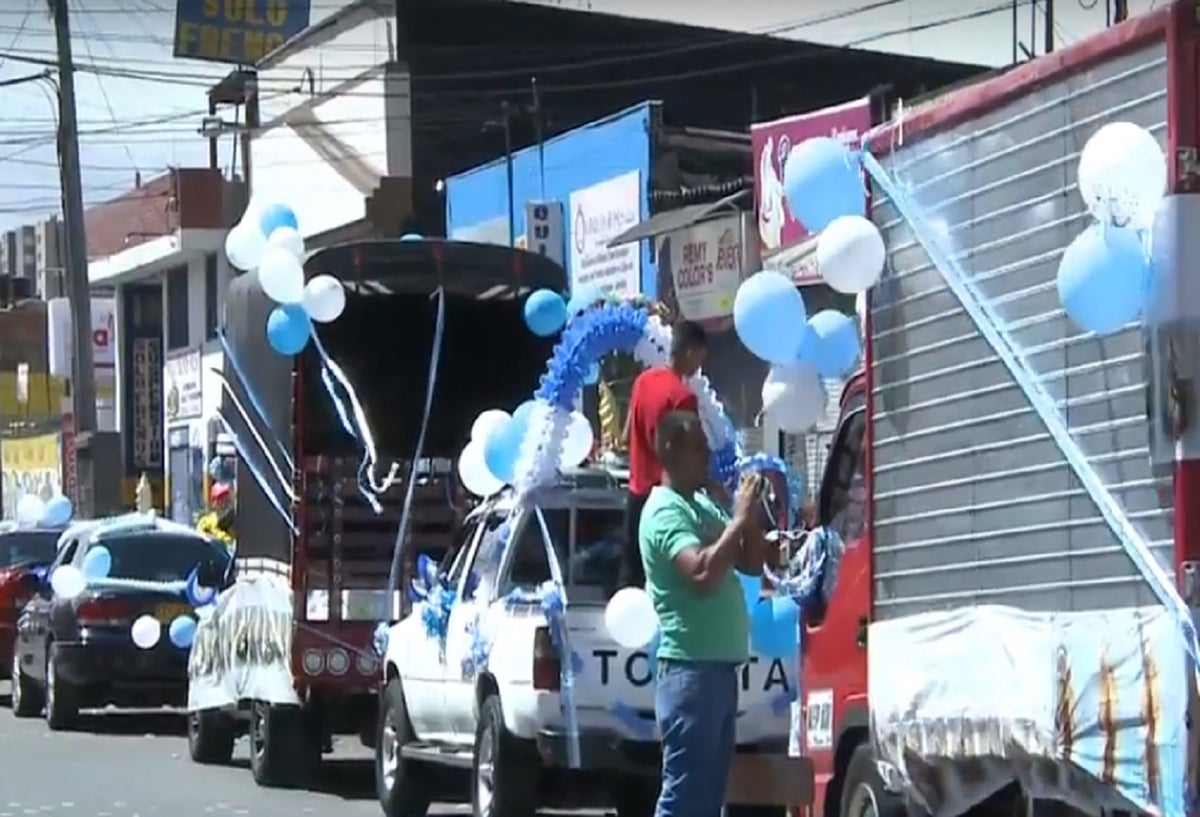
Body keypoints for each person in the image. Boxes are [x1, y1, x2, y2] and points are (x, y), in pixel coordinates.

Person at [639, 410, 767, 817]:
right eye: (699, 448)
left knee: (708, 798)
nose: (708, 457)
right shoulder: (665, 510)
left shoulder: (701, 503)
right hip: (690, 672)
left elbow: (750, 562)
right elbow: (702, 573)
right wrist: (739, 518)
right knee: (685, 795)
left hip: (717, 670)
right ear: (672, 450)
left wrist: (744, 515)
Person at [620, 319, 708, 588]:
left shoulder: (643, 381)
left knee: (631, 576)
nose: (698, 368)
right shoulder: (682, 397)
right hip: (665, 499)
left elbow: (625, 437)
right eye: (700, 358)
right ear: (690, 351)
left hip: (635, 494)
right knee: (664, 583)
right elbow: (689, 457)